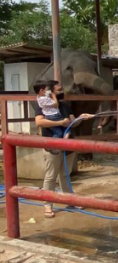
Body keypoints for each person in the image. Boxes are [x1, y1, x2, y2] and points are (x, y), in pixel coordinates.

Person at [31, 80, 91, 218]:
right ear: (50, 91)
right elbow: (39, 122)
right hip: (52, 145)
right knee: (51, 176)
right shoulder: (42, 104)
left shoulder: (64, 105)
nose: (61, 91)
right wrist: (60, 123)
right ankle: (48, 204)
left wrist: (81, 118)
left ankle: (70, 201)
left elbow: (72, 123)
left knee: (65, 175)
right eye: (58, 90)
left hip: (68, 145)